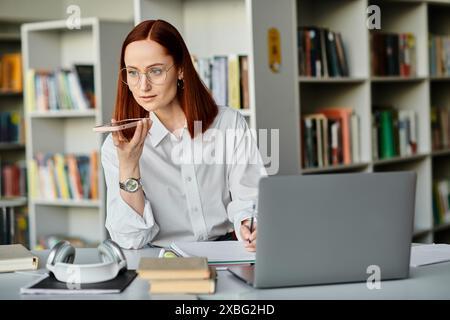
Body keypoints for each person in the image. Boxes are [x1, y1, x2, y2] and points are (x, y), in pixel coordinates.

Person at [101, 19, 267, 251]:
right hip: (160, 259)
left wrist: (251, 226)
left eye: (155, 71)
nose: (143, 86)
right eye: (133, 73)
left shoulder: (228, 124)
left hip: (228, 251)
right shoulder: (117, 145)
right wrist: (128, 168)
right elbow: (129, 239)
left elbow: (249, 199)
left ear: (180, 69)